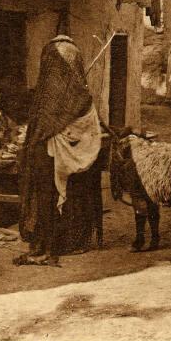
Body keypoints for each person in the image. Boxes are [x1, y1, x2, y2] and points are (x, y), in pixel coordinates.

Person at [17, 35, 103, 266]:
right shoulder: (80, 98)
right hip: (71, 159)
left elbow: (41, 128)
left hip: (51, 157)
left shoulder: (52, 98)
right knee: (59, 195)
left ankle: (51, 245)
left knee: (49, 196)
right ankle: (60, 242)